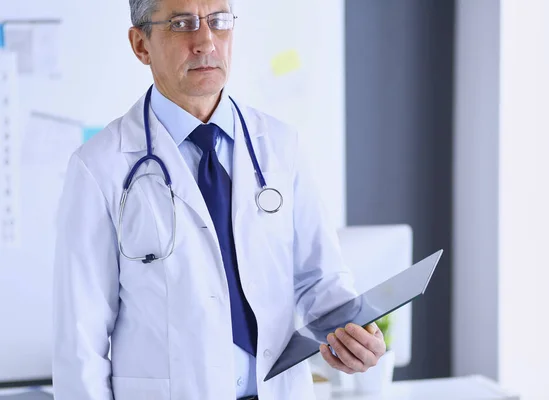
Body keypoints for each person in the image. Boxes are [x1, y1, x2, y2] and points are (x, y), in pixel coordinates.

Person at [52, 0, 386, 398]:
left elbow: (319, 279)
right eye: (182, 23)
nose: (206, 41)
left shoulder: (280, 146)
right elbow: (80, 341)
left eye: (218, 22)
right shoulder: (100, 167)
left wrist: (352, 331)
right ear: (141, 45)